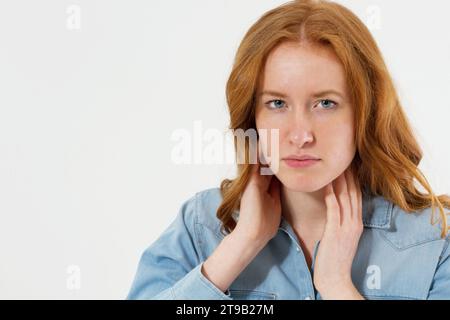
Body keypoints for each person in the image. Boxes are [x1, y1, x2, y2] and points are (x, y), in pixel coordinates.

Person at [127, 0, 450, 300]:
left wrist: (337, 285)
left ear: (365, 113)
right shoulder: (201, 226)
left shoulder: (436, 238)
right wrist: (242, 244)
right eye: (277, 103)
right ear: (252, 116)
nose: (300, 135)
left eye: (326, 103)